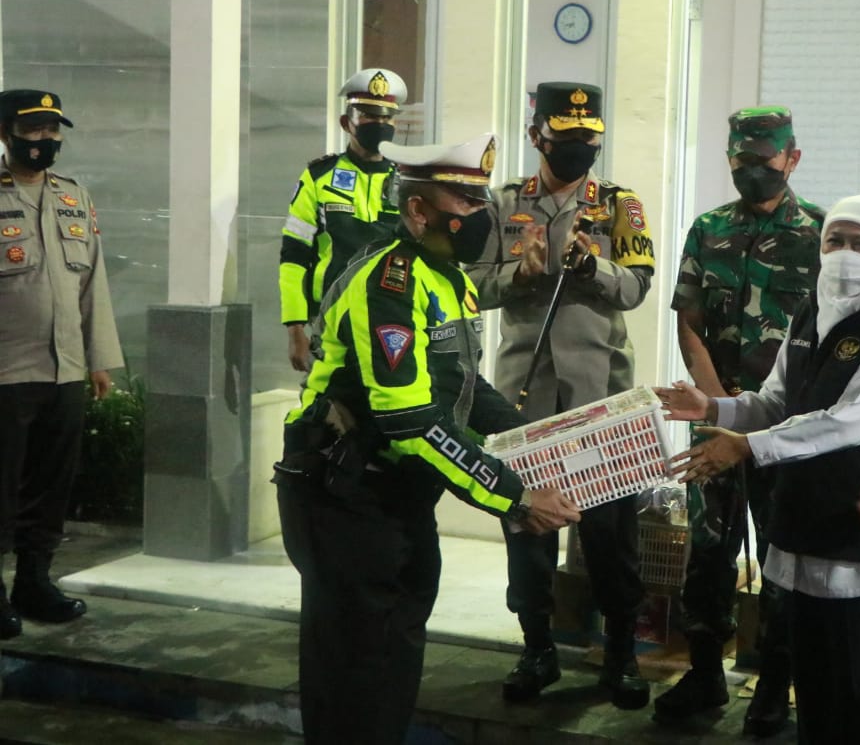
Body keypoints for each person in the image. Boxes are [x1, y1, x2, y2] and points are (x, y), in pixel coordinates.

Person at [273, 133, 580, 745]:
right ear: (418, 210)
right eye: (465, 200)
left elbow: (463, 385)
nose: (481, 214)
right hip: (344, 498)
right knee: (356, 670)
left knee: (395, 652)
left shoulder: (448, 278)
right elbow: (409, 420)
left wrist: (534, 438)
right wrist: (515, 497)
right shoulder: (388, 283)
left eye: (481, 198)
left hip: (397, 496)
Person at [658, 195, 860, 745]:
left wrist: (748, 447)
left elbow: (847, 423)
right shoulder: (812, 310)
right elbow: (777, 400)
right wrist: (714, 408)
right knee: (816, 696)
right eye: (835, 241)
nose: (845, 254)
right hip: (809, 529)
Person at [466, 81, 655, 709]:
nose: (580, 148)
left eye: (588, 139)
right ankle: (536, 649)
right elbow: (471, 285)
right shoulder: (501, 204)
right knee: (527, 525)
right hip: (524, 397)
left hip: (600, 397)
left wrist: (593, 268)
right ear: (536, 136)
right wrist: (516, 274)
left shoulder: (619, 205)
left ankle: (621, 654)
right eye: (566, 138)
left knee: (611, 534)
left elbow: (637, 286)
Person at [655, 106, 823, 736]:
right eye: (741, 158)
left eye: (764, 157)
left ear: (791, 158)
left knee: (782, 556)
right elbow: (689, 324)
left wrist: (764, 418)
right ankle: (704, 673)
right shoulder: (709, 229)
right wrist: (712, 404)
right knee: (706, 551)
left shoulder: (821, 233)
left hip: (783, 426)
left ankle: (774, 684)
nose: (753, 168)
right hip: (713, 417)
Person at [0, 89, 122, 638]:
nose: (45, 140)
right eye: (34, 130)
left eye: (52, 131)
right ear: (6, 133)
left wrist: (98, 360)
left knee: (50, 487)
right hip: (7, 371)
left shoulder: (74, 196)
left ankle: (34, 583)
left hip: (64, 370)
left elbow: (93, 282)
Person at [279, 67, 407, 372]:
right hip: (330, 321)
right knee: (327, 400)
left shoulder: (409, 181)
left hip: (393, 319)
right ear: (346, 123)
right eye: (368, 116)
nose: (379, 124)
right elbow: (294, 257)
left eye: (386, 117)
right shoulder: (319, 177)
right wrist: (295, 328)